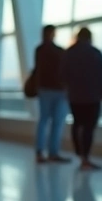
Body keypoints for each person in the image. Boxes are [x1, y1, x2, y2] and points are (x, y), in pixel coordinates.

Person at [63, 27, 102, 171]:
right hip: (92, 96)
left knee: (77, 123)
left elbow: (62, 74)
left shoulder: (69, 52)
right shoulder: (95, 53)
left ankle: (79, 152)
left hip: (75, 95)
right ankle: (85, 157)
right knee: (89, 127)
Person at [33, 25, 70, 163]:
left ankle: (40, 152)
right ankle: (53, 152)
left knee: (43, 120)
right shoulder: (60, 51)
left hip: (44, 89)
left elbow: (37, 70)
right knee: (57, 122)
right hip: (59, 90)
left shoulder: (39, 50)